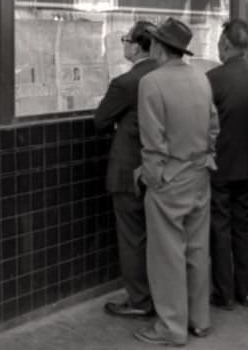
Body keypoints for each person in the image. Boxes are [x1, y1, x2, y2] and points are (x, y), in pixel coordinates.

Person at [133, 18, 220, 347]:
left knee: (166, 255)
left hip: (169, 177)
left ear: (158, 46)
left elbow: (152, 141)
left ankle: (171, 327)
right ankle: (200, 320)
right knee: (197, 249)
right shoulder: (201, 77)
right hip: (200, 172)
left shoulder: (151, 82)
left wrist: (152, 177)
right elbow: (213, 126)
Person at [93, 21, 158, 318]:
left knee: (132, 237)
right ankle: (159, 294)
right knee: (156, 236)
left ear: (138, 45)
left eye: (126, 39)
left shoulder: (126, 82)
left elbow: (101, 120)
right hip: (160, 168)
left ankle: (139, 300)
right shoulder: (163, 75)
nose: (124, 44)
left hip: (129, 168)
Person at [206, 19, 248, 310]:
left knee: (219, 228)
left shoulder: (212, 78)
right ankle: (246, 290)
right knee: (244, 227)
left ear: (226, 44)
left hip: (220, 164)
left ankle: (224, 292)